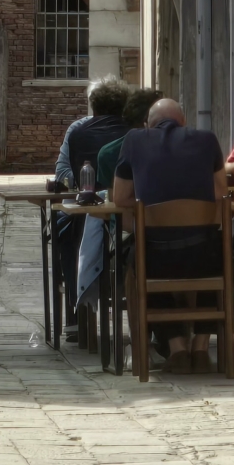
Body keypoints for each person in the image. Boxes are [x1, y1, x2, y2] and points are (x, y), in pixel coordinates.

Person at [112, 99, 228, 374]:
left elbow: (119, 197)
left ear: (147, 125)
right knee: (220, 253)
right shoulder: (207, 139)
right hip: (204, 256)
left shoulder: (134, 140)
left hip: (156, 257)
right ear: (183, 121)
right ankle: (200, 349)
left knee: (137, 257)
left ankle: (176, 349)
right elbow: (220, 192)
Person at [74, 88, 163, 310]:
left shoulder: (108, 152)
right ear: (147, 123)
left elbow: (116, 205)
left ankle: (143, 338)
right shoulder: (174, 148)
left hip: (136, 233)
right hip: (151, 235)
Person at [54, 77, 131, 323]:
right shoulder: (136, 134)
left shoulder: (77, 133)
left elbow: (67, 174)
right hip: (128, 216)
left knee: (63, 228)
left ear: (93, 107)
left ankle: (76, 317)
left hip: (91, 213)